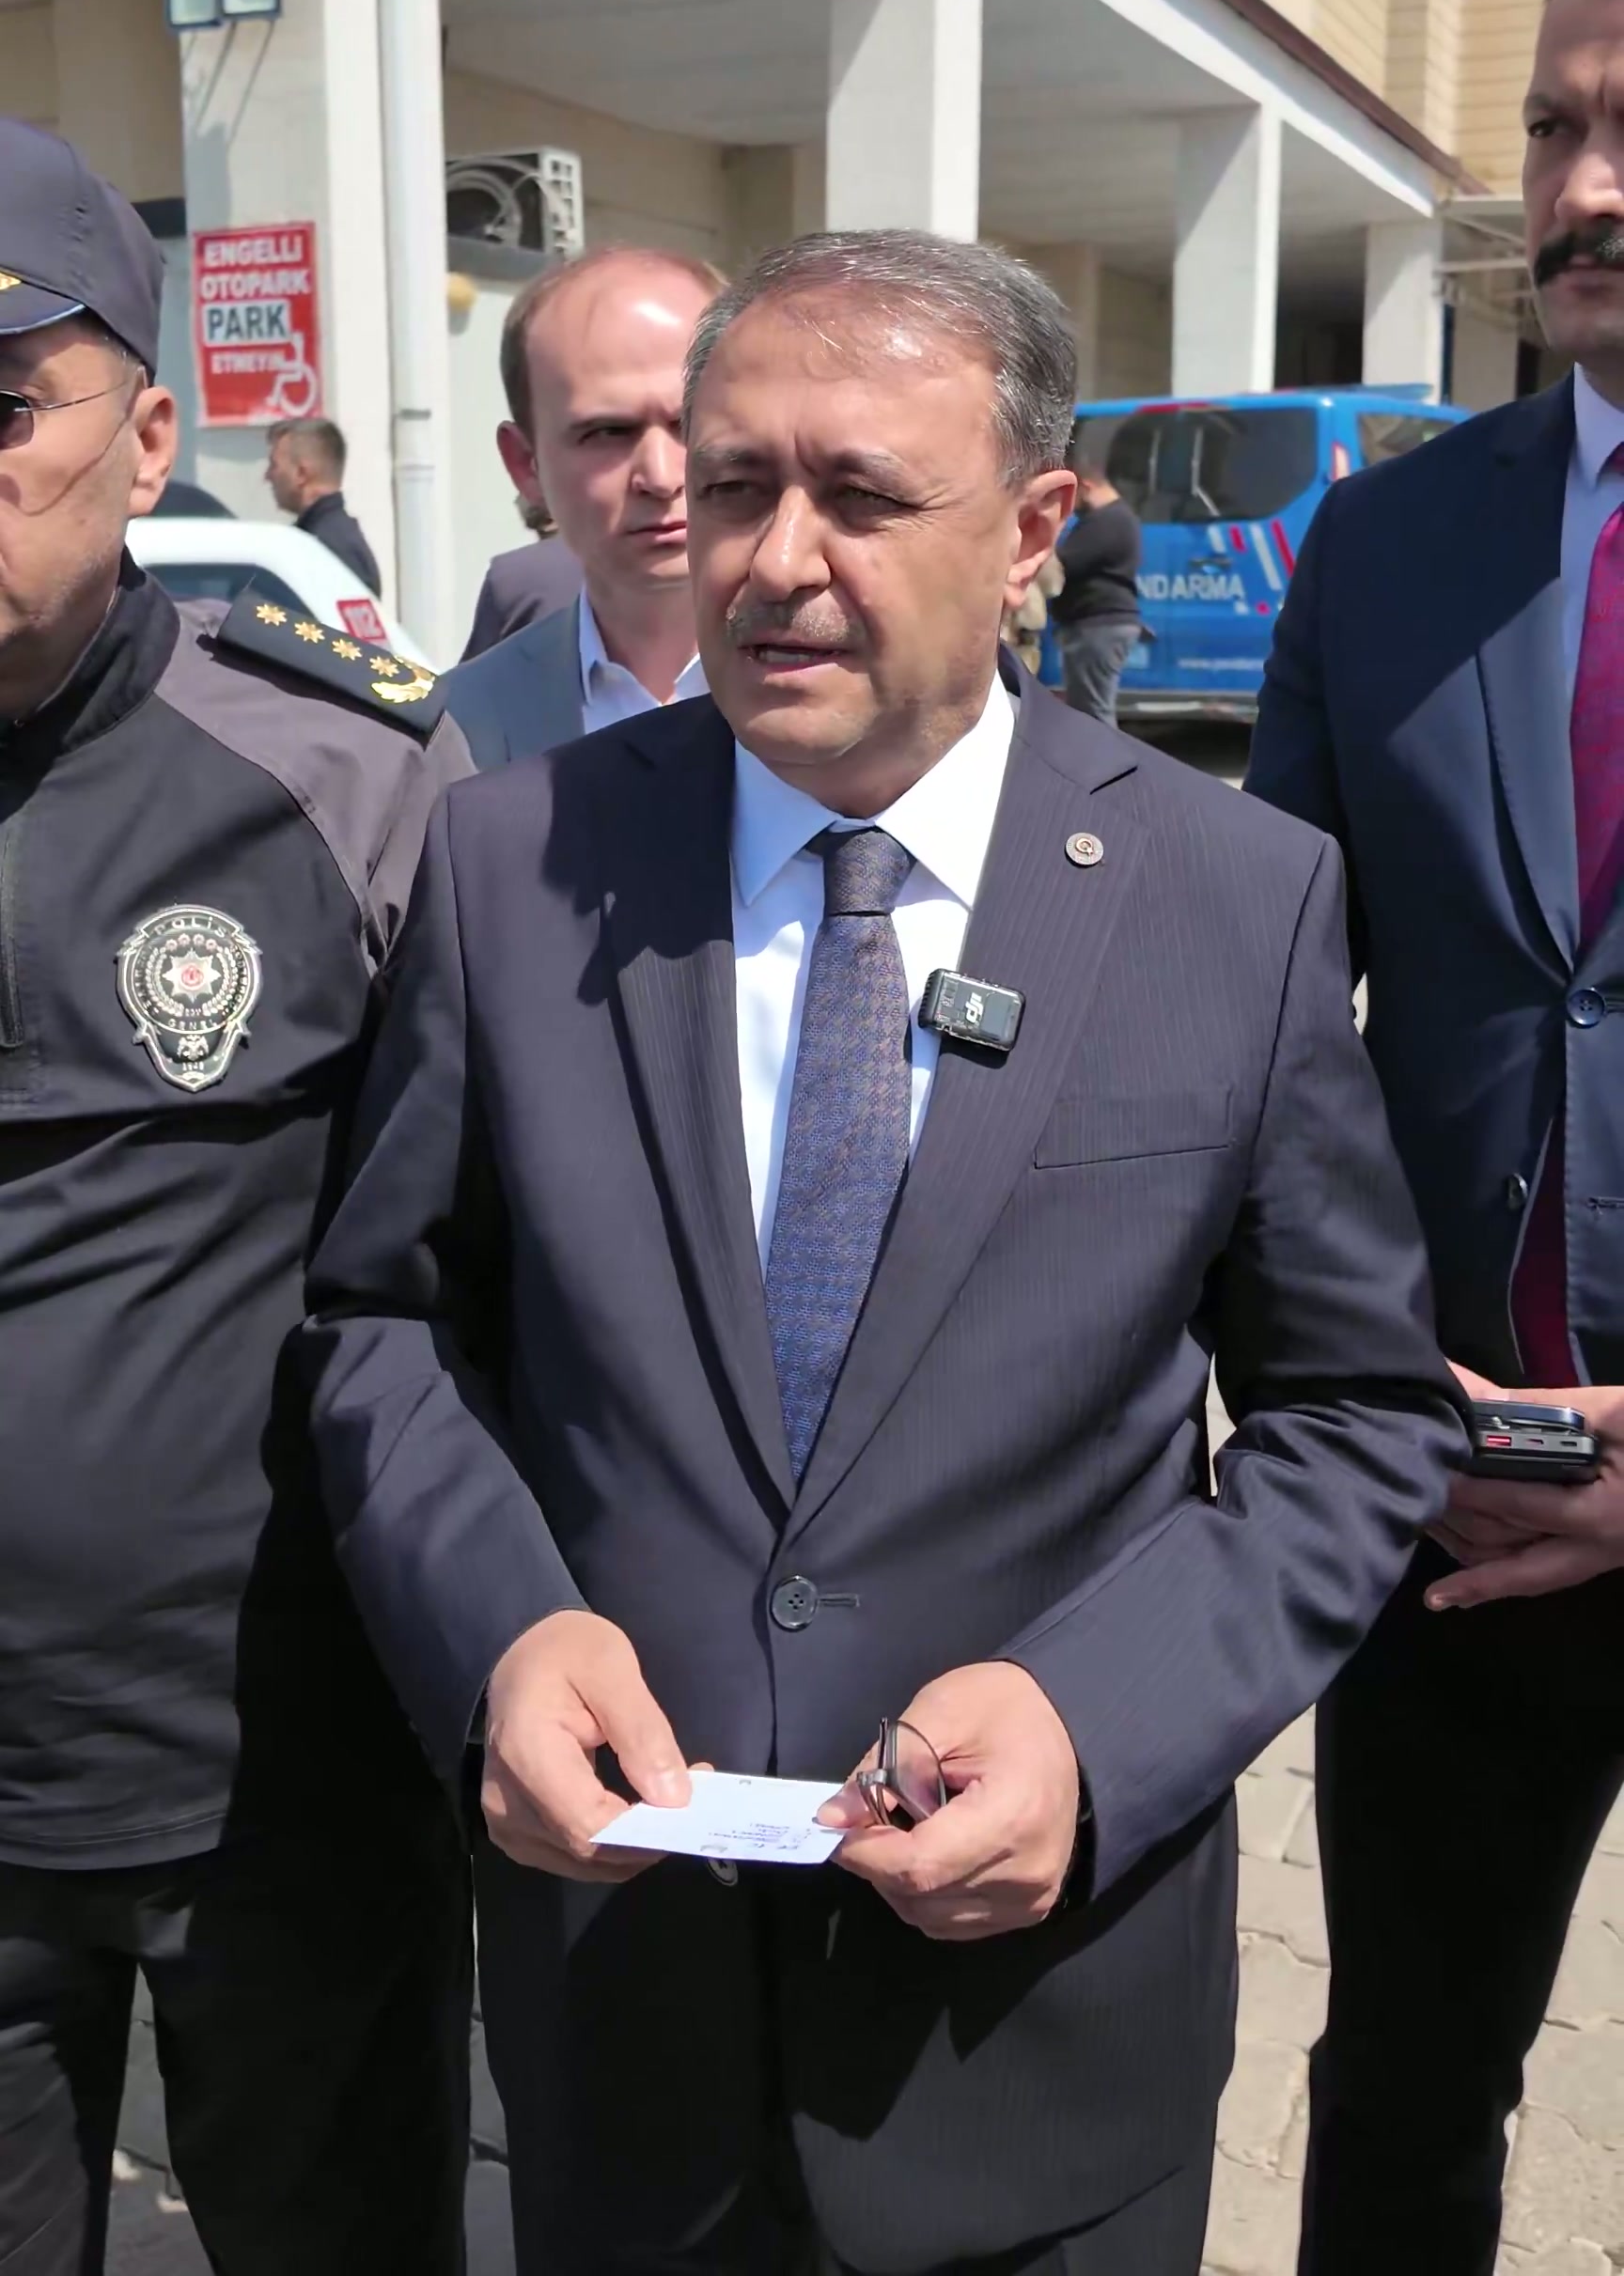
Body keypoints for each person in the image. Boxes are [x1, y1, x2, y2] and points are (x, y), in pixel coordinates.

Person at [305, 226, 1464, 2276]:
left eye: (859, 494)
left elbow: (1354, 1418)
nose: (773, 558)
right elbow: (387, 1322)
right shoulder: (514, 858)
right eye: (737, 483)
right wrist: (498, 1634)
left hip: (1033, 2045)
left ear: (1029, 530)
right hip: (624, 2023)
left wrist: (1096, 1724)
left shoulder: (1236, 896)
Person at [0, 118, 472, 2276]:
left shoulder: (343, 774)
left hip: (273, 1780)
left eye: (7, 402)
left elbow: (484, 1260)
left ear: (146, 438)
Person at [1246, 0, 1624, 2276]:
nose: (1580, 187)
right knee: (1400, 2093)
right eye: (1551, 128)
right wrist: (1358, 1386)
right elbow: (1274, 1028)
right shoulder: (1383, 547)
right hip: (1459, 1506)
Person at [445, 246, 724, 763]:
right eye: (607, 433)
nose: (660, 477)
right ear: (526, 465)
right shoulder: (454, 732)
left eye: (691, 424)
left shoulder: (873, 696)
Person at [1050, 464, 1142, 725]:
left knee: (1092, 712)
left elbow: (1063, 564)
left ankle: (1102, 752)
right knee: (1090, 707)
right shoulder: (1118, 518)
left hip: (1097, 624)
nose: (1071, 506)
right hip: (1101, 623)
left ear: (1086, 486)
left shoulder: (1106, 521)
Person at [264, 414, 383, 594]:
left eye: (274, 465)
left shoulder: (330, 549)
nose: (267, 476)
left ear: (301, 474)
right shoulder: (324, 538)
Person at [460, 499, 582, 660]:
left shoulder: (510, 570)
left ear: (550, 521)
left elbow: (475, 668)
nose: (515, 500)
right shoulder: (608, 562)